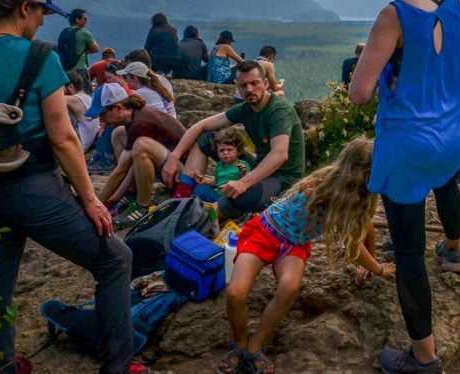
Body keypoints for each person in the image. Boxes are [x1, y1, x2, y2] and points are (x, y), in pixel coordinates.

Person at [348, 0, 460, 374]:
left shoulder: (394, 14)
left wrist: (394, 66)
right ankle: (453, 250)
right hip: (452, 138)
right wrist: (444, 72)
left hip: (407, 143)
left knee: (408, 252)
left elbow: (359, 92)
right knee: (446, 181)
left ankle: (424, 358)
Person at [0, 0, 137, 374]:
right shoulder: (39, 57)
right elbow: (63, 136)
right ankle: (117, 367)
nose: (41, 22)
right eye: (40, 12)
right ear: (23, 8)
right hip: (32, 185)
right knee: (114, 260)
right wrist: (90, 199)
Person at [217, 138, 396, 374]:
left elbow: (364, 227)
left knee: (289, 288)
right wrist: (378, 269)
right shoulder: (326, 186)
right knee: (236, 292)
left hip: (294, 244)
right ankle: (239, 345)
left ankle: (253, 347)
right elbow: (353, 245)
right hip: (264, 231)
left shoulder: (359, 195)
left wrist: (371, 259)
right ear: (364, 172)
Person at [163, 60, 306, 221]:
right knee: (206, 140)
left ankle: (198, 218)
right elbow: (200, 126)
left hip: (283, 178)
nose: (249, 89)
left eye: (254, 83)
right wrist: (173, 158)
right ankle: (182, 195)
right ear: (237, 86)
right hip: (260, 165)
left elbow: (280, 154)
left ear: (265, 84)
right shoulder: (245, 109)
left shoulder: (278, 110)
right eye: (244, 85)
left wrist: (243, 183)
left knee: (244, 195)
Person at [90, 83, 187, 229]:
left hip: (182, 174)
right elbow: (129, 167)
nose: (102, 121)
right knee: (119, 134)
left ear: (118, 108)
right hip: (167, 163)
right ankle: (132, 193)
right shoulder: (135, 115)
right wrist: (114, 199)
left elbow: (121, 171)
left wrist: (97, 203)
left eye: (103, 115)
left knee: (142, 146)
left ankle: (143, 205)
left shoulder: (140, 124)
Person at [192, 127, 252, 203]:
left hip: (232, 199)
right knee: (200, 187)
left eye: (229, 150)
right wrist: (204, 181)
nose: (225, 153)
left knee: (201, 190)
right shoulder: (219, 165)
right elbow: (216, 182)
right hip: (218, 197)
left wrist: (244, 173)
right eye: (221, 150)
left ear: (239, 151)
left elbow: (247, 183)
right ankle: (196, 208)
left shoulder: (242, 165)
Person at [57, 8, 100, 91]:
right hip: (80, 68)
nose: (86, 21)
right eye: (85, 19)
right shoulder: (84, 33)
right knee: (85, 94)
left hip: (65, 69)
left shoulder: (64, 32)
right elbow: (95, 48)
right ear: (77, 19)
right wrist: (84, 51)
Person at [64, 70, 100, 152]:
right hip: (87, 143)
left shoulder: (75, 99)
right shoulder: (86, 97)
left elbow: (50, 100)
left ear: (71, 87)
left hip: (79, 148)